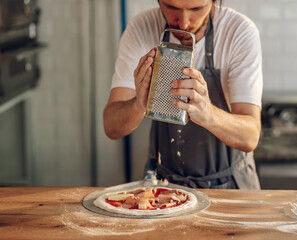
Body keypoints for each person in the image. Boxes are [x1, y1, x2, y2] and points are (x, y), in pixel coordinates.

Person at [103, 0, 263, 189]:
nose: (183, 24)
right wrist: (139, 104)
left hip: (230, 186)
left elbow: (250, 137)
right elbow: (112, 128)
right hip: (164, 186)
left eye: (196, 9)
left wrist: (209, 115)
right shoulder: (142, 27)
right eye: (171, 7)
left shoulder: (238, 31)